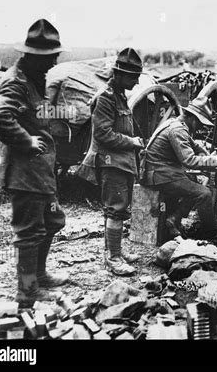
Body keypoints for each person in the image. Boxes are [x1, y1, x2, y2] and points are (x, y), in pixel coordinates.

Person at [0, 19, 69, 307]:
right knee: (30, 231)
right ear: (33, 56)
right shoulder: (16, 82)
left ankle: (40, 274)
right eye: (49, 59)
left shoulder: (34, 78)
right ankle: (27, 293)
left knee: (53, 220)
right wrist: (27, 140)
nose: (53, 63)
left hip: (39, 170)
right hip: (24, 172)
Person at [78, 48, 144, 276]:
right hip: (111, 163)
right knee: (115, 210)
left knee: (118, 209)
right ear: (119, 75)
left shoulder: (119, 95)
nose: (136, 82)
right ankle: (113, 258)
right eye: (133, 77)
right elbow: (103, 135)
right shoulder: (105, 98)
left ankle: (114, 250)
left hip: (121, 162)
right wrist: (132, 142)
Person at [143, 96, 217, 239]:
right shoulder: (177, 130)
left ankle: (174, 219)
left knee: (193, 182)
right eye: (200, 124)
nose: (200, 128)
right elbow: (189, 160)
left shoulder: (176, 123)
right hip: (161, 175)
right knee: (204, 193)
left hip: (164, 172)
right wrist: (216, 160)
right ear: (193, 119)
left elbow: (195, 146)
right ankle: (212, 234)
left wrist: (208, 155)